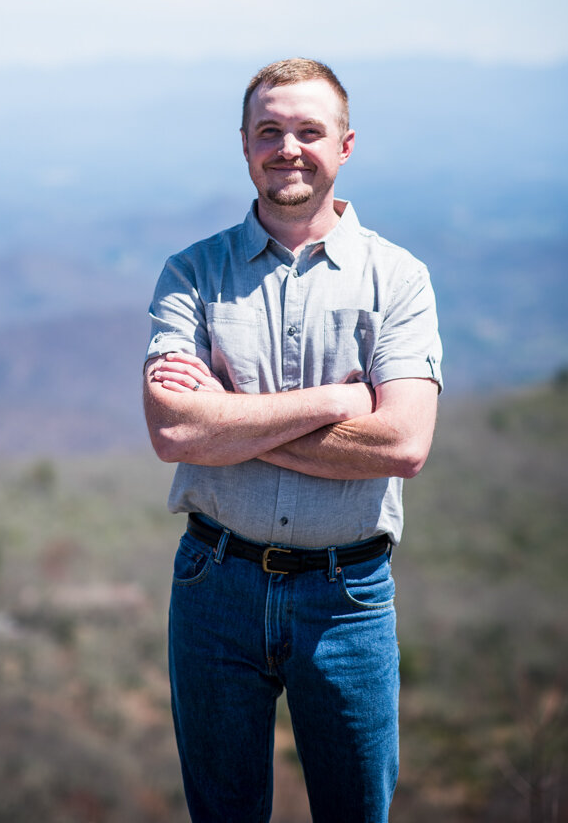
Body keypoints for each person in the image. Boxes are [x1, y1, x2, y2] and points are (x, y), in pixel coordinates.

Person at [143, 57, 442, 823]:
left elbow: (403, 444)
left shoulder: (398, 279)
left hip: (347, 596)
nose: (288, 147)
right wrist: (339, 403)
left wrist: (233, 423)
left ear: (345, 146)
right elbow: (173, 429)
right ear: (243, 144)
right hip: (215, 584)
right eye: (269, 130)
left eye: (309, 131)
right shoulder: (191, 273)